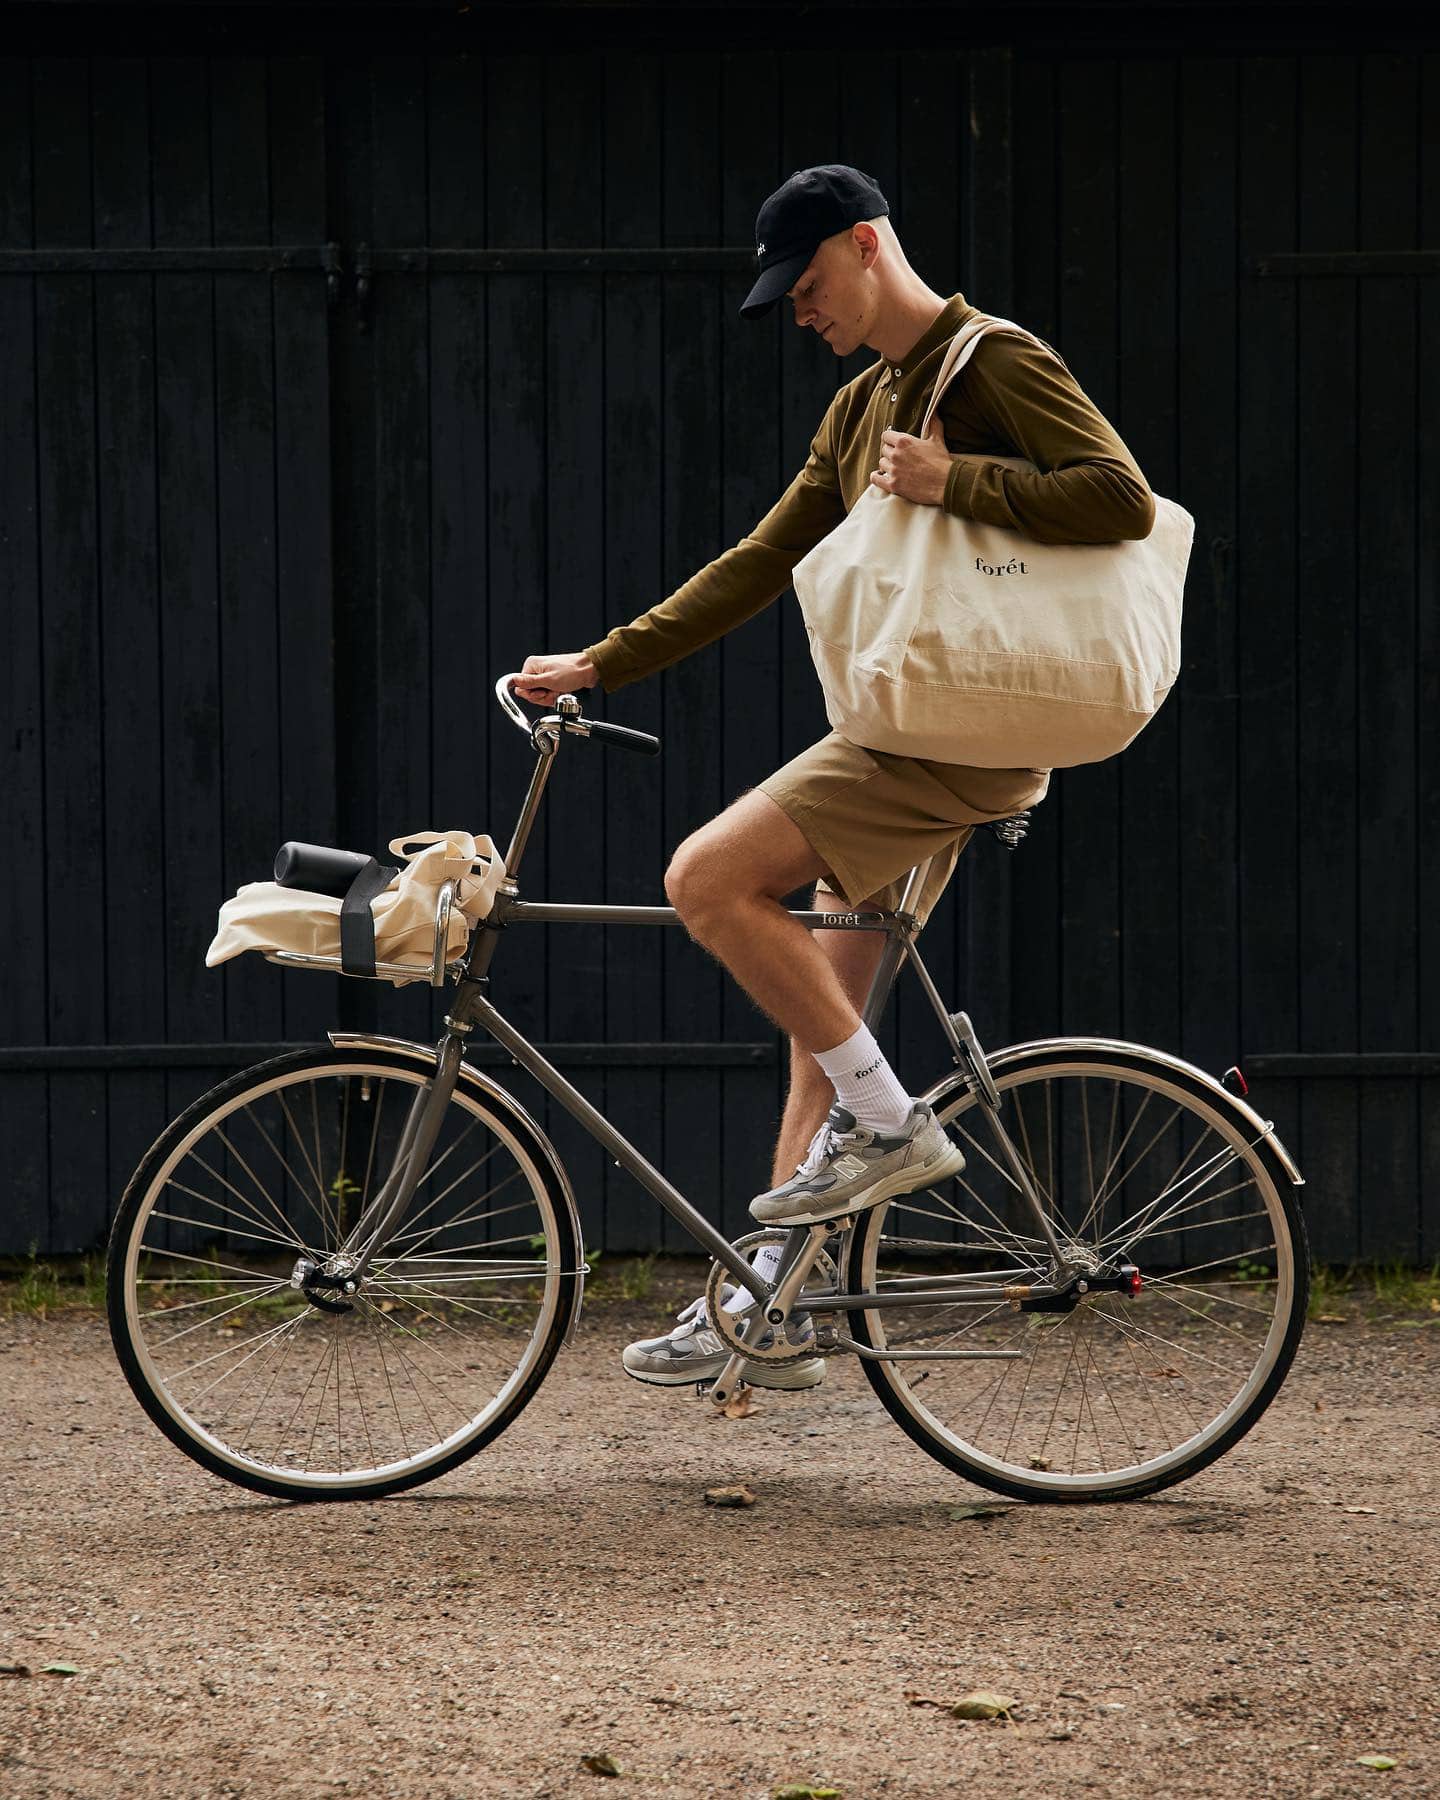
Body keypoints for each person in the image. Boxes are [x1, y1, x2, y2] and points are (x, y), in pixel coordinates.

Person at [516, 164, 1155, 1393]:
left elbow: (1121, 500)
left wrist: (952, 480)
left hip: (944, 740)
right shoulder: (863, 404)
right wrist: (606, 660)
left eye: (808, 286)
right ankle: (779, 1300)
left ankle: (894, 1125)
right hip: (921, 725)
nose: (799, 313)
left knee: (707, 880)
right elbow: (763, 559)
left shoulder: (991, 361)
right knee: (827, 1016)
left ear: (868, 248)